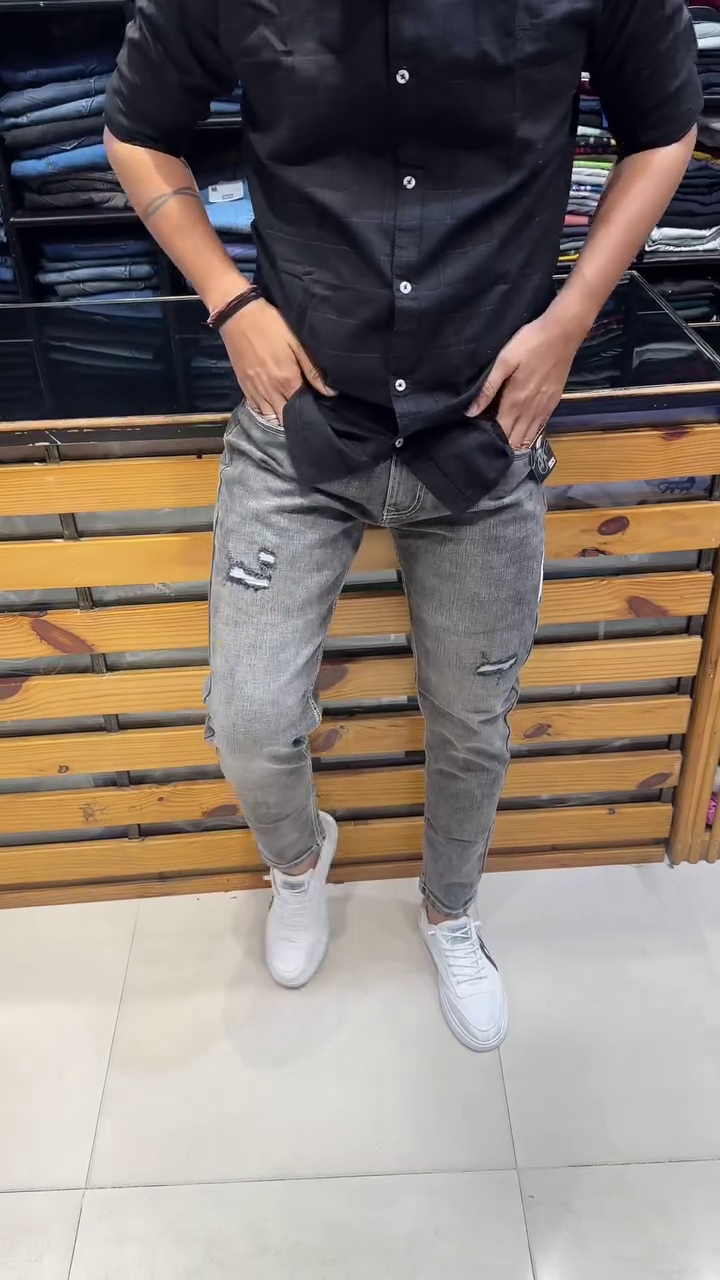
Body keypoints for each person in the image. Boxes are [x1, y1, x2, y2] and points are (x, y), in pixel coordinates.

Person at [105, 0, 700, 1052]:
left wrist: (571, 321)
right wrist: (231, 303)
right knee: (248, 718)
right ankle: (299, 862)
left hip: (485, 423)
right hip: (300, 417)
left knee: (473, 719)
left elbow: (665, 124)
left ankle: (449, 909)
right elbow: (135, 128)